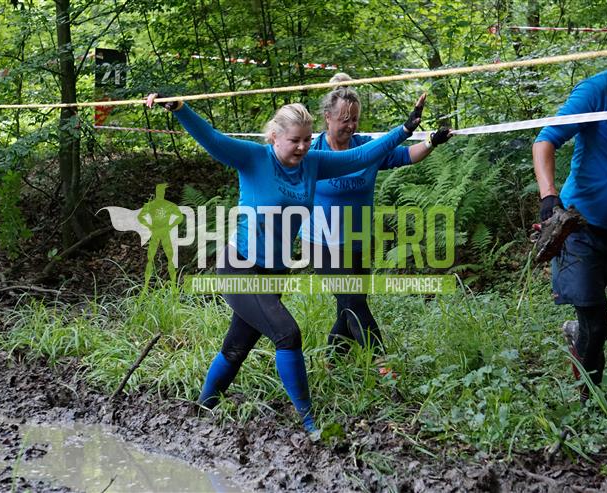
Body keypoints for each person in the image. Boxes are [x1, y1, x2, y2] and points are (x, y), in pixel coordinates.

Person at [147, 92, 423, 432]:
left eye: (307, 139)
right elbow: (212, 139)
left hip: (275, 271)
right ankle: (310, 423)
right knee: (288, 334)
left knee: (237, 347)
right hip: (240, 266)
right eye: (295, 140)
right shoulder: (252, 158)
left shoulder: (313, 163)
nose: (303, 147)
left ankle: (204, 407)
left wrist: (405, 129)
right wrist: (179, 109)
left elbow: (360, 155)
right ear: (274, 137)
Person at [532, 10, 607, 401]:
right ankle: (588, 409)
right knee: (593, 324)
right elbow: (544, 142)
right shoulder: (597, 91)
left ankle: (581, 333)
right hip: (581, 229)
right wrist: (549, 198)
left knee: (597, 328)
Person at [305, 73, 452, 355]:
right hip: (321, 243)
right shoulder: (313, 152)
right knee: (354, 302)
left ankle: (332, 360)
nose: (350, 125)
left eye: (354, 119)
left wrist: (432, 142)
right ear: (327, 117)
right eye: (344, 119)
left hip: (358, 240)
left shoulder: (366, 147)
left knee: (349, 304)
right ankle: (382, 363)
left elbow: (405, 156)